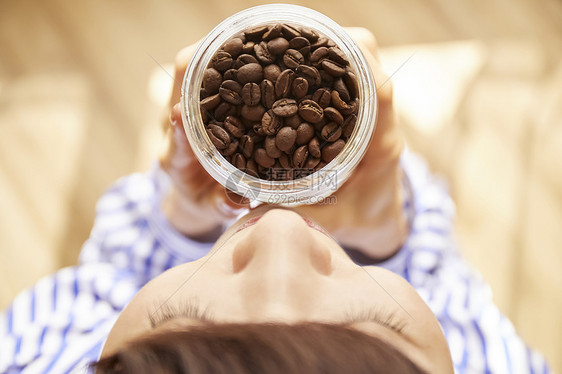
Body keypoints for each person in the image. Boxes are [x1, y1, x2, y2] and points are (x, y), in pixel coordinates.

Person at [0, 28, 550, 374]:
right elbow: (449, 292)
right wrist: (379, 232)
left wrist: (185, 221)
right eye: (380, 324)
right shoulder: (493, 362)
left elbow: (107, 276)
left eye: (183, 320)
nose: (279, 228)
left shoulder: (33, 356)